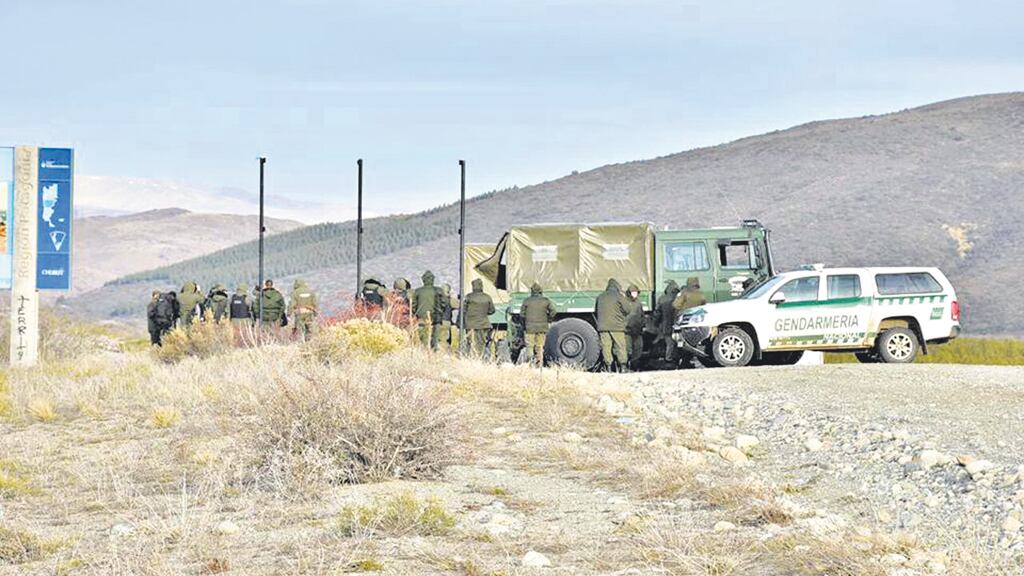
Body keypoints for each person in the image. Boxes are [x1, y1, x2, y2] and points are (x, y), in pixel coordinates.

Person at [595, 278, 630, 372]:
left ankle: (608, 368)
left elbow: (596, 311)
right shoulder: (619, 296)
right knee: (620, 347)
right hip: (617, 327)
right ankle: (623, 367)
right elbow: (628, 309)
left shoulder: (600, 297)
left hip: (603, 327)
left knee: (606, 347)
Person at [520, 282, 556, 367]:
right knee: (539, 347)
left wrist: (524, 323)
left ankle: (530, 363)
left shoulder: (526, 301)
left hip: (530, 328)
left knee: (529, 346)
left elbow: (522, 314)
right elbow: (553, 311)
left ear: (532, 291)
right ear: (540, 291)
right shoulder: (546, 301)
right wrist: (548, 319)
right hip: (542, 328)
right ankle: (539, 365)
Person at [462, 278, 495, 359]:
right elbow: (492, 311)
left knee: (470, 342)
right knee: (481, 343)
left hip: (470, 324)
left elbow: (463, 310)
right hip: (483, 324)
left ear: (473, 286)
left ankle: (470, 358)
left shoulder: (468, 297)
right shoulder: (487, 297)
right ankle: (480, 358)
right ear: (481, 286)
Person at [411, 271, 441, 348]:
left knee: (423, 340)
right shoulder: (438, 290)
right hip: (435, 319)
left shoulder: (418, 291)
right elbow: (443, 303)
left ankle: (424, 353)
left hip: (421, 318)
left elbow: (413, 305)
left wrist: (416, 314)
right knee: (435, 341)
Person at [653, 280, 680, 363]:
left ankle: (668, 358)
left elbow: (657, 313)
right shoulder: (678, 298)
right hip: (677, 324)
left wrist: (656, 323)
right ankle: (673, 358)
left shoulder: (662, 298)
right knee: (677, 343)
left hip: (665, 325)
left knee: (669, 342)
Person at [624, 283, 645, 370]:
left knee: (638, 348)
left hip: (637, 330)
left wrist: (642, 325)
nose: (635, 294)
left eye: (636, 293)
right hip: (627, 330)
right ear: (629, 293)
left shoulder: (639, 303)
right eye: (633, 292)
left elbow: (642, 316)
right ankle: (626, 365)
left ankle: (635, 366)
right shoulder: (624, 302)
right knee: (628, 349)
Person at [434, 283, 456, 351]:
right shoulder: (450, 300)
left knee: (437, 340)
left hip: (436, 322)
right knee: (444, 341)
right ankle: (443, 355)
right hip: (446, 321)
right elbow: (461, 305)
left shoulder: (436, 299)